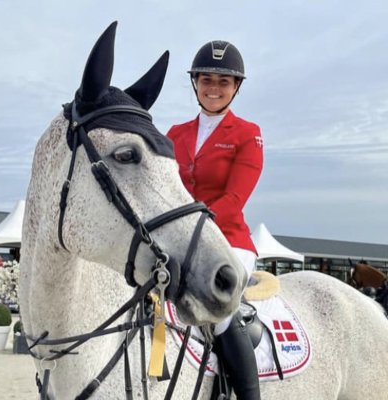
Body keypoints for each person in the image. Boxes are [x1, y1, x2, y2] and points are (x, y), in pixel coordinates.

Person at [167, 40, 263, 399]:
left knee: (219, 311)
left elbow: (234, 200)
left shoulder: (248, 133)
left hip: (228, 241)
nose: (214, 88)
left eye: (224, 81)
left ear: (236, 87)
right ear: (195, 83)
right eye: (206, 79)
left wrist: (188, 228)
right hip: (175, 242)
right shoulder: (174, 135)